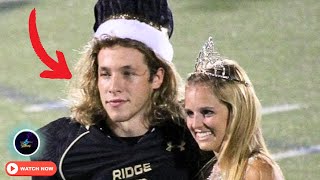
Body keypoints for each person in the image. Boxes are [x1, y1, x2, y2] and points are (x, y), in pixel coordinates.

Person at [31, 0, 210, 179]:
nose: (114, 88)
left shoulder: (192, 135)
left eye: (128, 73)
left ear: (157, 77)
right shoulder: (58, 147)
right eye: (106, 74)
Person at [183, 37, 285, 180]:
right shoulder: (217, 168)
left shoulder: (256, 171)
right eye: (190, 113)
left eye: (207, 112)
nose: (195, 124)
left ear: (236, 112)